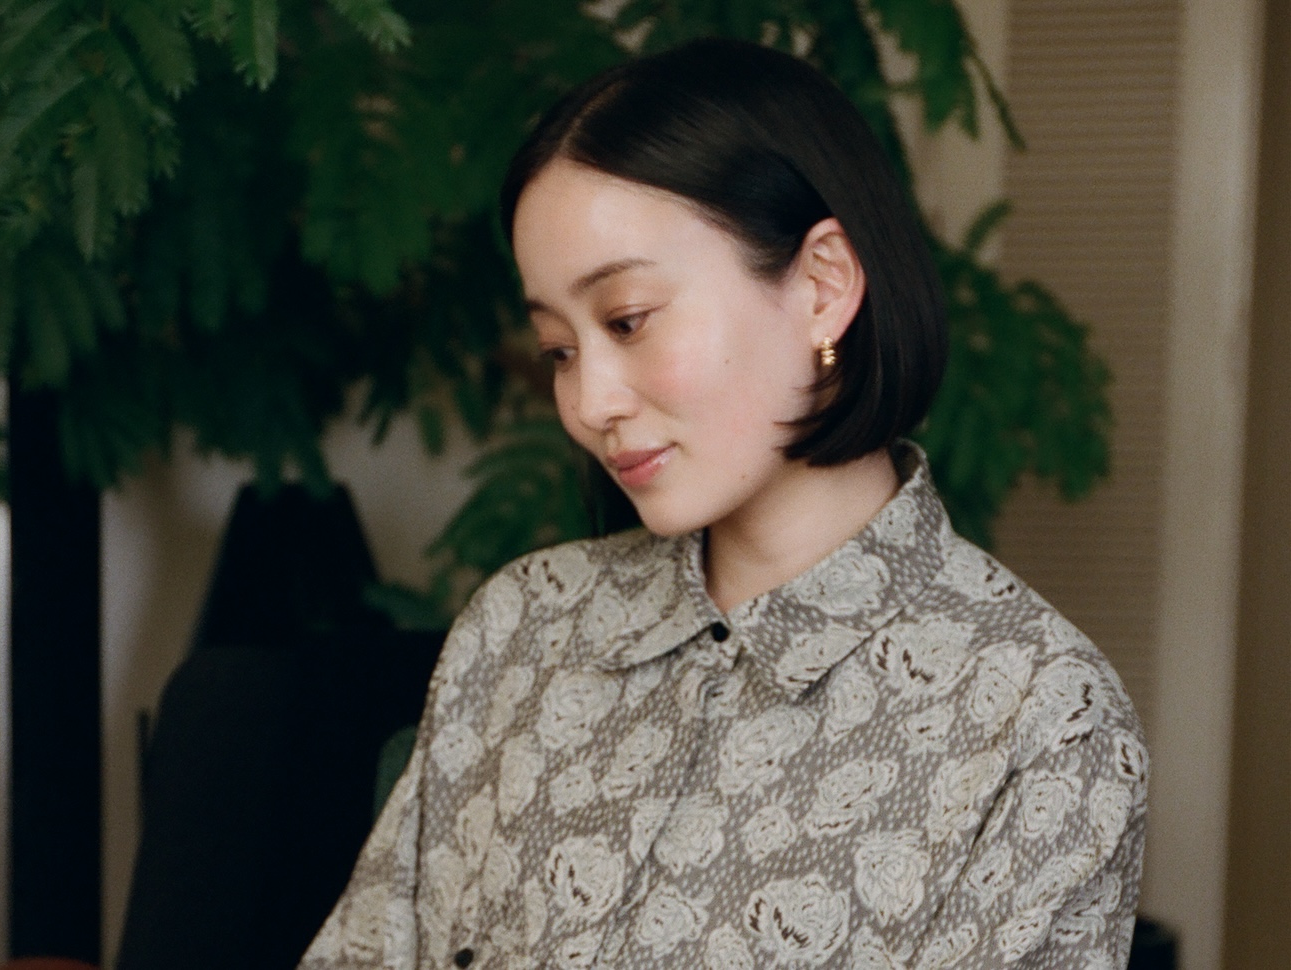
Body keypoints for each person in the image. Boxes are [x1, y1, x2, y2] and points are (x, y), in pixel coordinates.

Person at [298, 38, 1146, 970]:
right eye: (560, 350)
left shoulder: (1039, 718)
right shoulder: (524, 626)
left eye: (627, 320)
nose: (589, 403)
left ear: (822, 285)